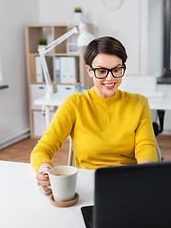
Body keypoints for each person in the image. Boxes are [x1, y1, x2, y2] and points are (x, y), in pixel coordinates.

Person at [31, 36, 157, 194]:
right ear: (89, 71)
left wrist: (145, 173)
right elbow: (42, 149)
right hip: (88, 186)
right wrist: (45, 173)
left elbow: (145, 146)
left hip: (128, 183)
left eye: (117, 70)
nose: (110, 78)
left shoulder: (139, 103)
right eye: (102, 71)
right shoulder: (75, 104)